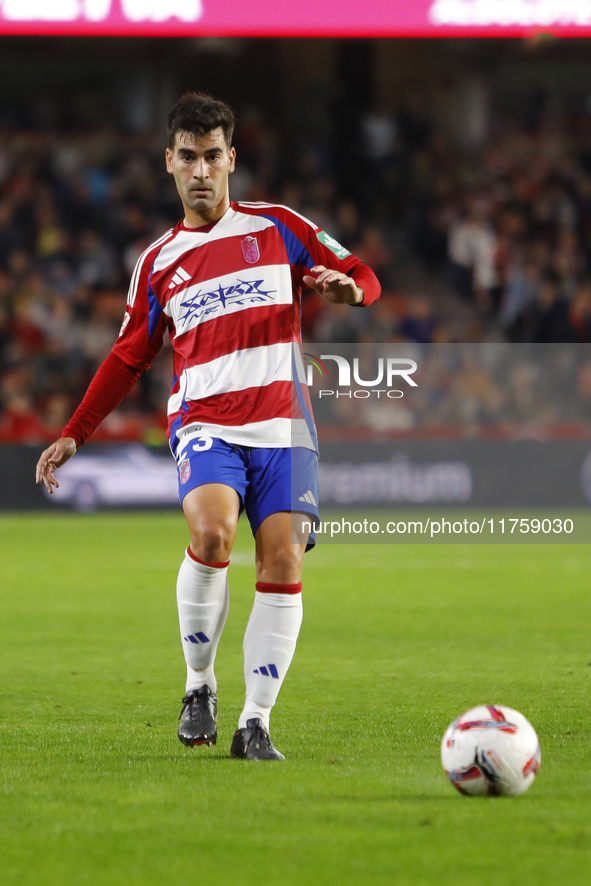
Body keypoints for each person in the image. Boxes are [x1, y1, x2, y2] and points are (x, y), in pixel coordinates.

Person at [35, 92, 381, 760]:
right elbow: (129, 354)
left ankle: (256, 721)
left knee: (281, 559)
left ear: (231, 159)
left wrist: (351, 290)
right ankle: (199, 684)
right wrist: (75, 430)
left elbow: (362, 272)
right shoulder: (158, 262)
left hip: (284, 424)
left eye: (212, 156)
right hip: (206, 422)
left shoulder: (279, 226)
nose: (200, 170)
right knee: (213, 533)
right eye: (188, 157)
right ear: (169, 162)